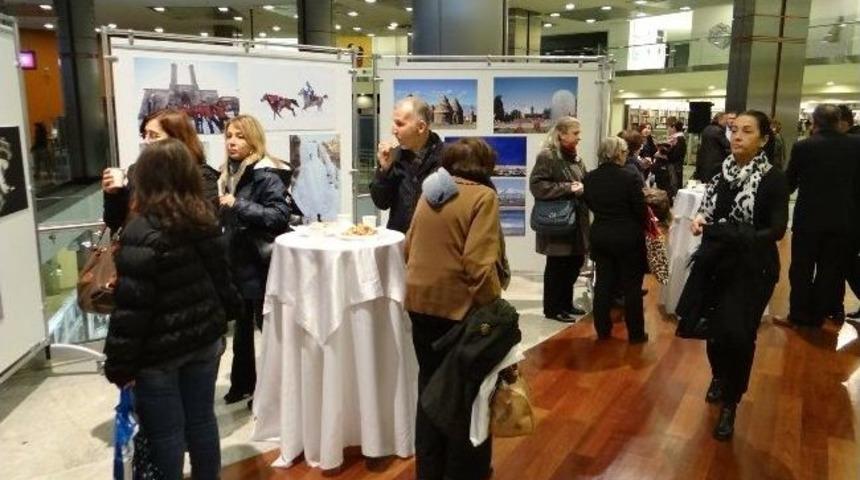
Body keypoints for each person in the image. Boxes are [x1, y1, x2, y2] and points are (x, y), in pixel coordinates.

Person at [103, 138, 242, 479]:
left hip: (159, 353)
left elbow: (131, 310)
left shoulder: (141, 230)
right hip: (204, 341)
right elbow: (222, 279)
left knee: (166, 435)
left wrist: (120, 365)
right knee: (202, 422)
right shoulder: (204, 218)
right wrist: (225, 315)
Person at [681, 110, 789, 441]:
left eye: (746, 131)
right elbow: (709, 209)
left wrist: (732, 233)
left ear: (764, 139)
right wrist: (700, 219)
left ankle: (731, 402)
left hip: (753, 267)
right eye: (734, 130)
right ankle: (718, 376)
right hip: (716, 263)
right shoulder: (721, 172)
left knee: (739, 335)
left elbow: (776, 230)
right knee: (712, 330)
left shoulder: (772, 179)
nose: (737, 136)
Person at [405, 138, 502, 480]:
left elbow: (409, 245)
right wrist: (495, 309)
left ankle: (429, 470)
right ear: (486, 166)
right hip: (458, 311)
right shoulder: (483, 196)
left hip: (419, 304)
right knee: (466, 396)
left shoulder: (430, 190)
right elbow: (479, 265)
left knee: (430, 390)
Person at [217, 114, 291, 406]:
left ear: (253, 141)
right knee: (243, 332)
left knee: (267, 331)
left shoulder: (265, 173)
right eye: (229, 136)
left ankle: (272, 393)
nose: (232, 141)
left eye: (240, 136)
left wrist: (239, 205)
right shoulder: (227, 173)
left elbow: (278, 216)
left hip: (260, 265)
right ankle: (244, 384)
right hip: (237, 261)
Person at [786, 104, 860, 326]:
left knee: (801, 268)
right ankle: (819, 314)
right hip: (844, 219)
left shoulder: (804, 147)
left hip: (808, 219)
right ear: (839, 121)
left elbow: (789, 182)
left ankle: (799, 313)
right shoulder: (856, 145)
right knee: (830, 269)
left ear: (814, 121)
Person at [102, 109, 219, 232]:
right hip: (138, 247)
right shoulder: (136, 171)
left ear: (177, 140)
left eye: (154, 135)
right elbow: (114, 222)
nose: (146, 141)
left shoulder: (202, 175)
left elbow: (204, 223)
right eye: (145, 135)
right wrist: (114, 194)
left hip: (177, 248)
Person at [583, 137, 648, 342]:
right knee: (631, 287)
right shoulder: (629, 178)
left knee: (603, 284)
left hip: (601, 234)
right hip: (628, 236)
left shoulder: (590, 178)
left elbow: (590, 204)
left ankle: (603, 330)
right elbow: (640, 209)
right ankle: (636, 334)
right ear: (618, 153)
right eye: (624, 151)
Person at [529, 116, 590, 322]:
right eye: (575, 133)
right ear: (561, 134)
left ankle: (565, 304)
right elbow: (537, 186)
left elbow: (585, 180)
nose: (579, 138)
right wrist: (568, 187)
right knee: (557, 267)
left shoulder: (575, 157)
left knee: (574, 263)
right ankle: (553, 309)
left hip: (575, 222)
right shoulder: (548, 156)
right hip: (558, 222)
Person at [371, 97, 444, 233]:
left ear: (421, 127)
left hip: (432, 245)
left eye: (400, 124)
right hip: (399, 243)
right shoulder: (394, 156)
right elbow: (381, 203)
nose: (394, 130)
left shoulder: (447, 159)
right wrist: (384, 171)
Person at [654, 121, 687, 200]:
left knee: (673, 185)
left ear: (674, 128)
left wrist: (662, 153)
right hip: (674, 166)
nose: (668, 129)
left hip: (674, 167)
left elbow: (674, 156)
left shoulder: (679, 139)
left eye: (669, 127)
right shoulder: (676, 138)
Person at [694, 112, 731, 182]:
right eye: (725, 120)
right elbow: (727, 145)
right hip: (715, 163)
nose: (726, 122)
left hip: (705, 162)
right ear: (720, 119)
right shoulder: (719, 131)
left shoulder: (707, 128)